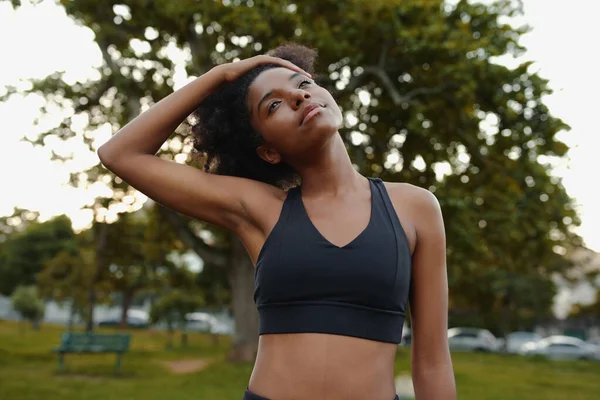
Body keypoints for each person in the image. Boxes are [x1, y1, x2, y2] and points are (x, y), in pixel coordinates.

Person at [98, 43, 456, 400]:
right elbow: (120, 154)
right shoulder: (261, 210)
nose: (299, 98)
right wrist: (221, 74)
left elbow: (433, 361)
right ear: (268, 151)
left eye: (302, 85)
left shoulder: (415, 207)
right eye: (273, 105)